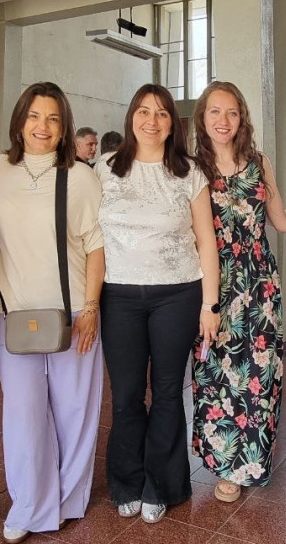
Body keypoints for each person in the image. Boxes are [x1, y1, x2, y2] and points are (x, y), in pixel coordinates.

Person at [95, 84, 220, 524]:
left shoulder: (189, 171)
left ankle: (161, 484)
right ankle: (127, 480)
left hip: (177, 293)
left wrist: (210, 305)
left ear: (173, 122)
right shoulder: (104, 169)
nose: (152, 120)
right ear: (131, 117)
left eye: (162, 113)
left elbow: (207, 242)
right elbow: (89, 240)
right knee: (127, 394)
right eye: (144, 112)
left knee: (167, 392)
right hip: (119, 296)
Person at [0, 82, 105, 543]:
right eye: (34, 116)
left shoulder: (80, 176)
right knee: (23, 414)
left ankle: (69, 500)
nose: (43, 126)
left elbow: (96, 246)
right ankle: (29, 506)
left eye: (53, 119)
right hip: (14, 315)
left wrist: (91, 306)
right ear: (19, 121)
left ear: (64, 126)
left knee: (76, 410)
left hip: (74, 311)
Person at [189, 81, 286, 503]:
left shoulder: (258, 163)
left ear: (241, 117)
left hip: (260, 283)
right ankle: (224, 465)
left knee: (259, 376)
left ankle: (254, 461)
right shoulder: (192, 168)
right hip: (215, 283)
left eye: (231, 112)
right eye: (214, 112)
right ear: (202, 118)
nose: (223, 121)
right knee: (218, 376)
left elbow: (282, 221)